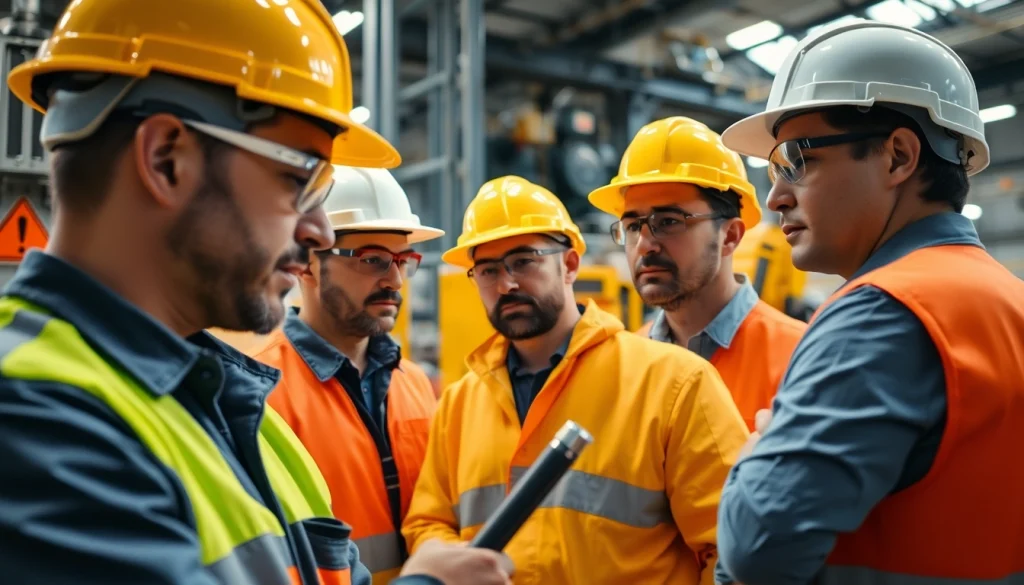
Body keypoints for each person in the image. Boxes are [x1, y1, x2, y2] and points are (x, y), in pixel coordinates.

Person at [0, 1, 513, 584]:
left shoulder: (241, 409)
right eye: (298, 180)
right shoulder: (33, 416)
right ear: (167, 159)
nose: (318, 231)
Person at [713, 20, 1024, 585]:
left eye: (797, 161)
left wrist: (754, 455)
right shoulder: (1010, 302)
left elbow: (757, 549)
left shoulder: (881, 312)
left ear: (898, 157)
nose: (776, 196)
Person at [402, 175, 751, 585]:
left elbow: (732, 547)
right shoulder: (460, 404)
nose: (506, 284)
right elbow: (427, 524)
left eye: (523, 261)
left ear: (569, 264)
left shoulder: (674, 383)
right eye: (487, 270)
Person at [252, 166, 442, 584]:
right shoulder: (261, 389)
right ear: (306, 265)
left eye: (402, 260)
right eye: (372, 259)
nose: (394, 279)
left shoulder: (413, 383)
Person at [588, 116, 807, 430]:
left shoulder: (798, 358)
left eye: (669, 221)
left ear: (730, 236)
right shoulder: (624, 363)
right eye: (633, 226)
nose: (645, 244)